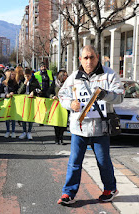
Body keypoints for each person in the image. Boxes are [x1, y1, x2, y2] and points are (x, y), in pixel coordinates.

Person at [57, 45, 124, 205]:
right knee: (74, 162)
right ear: (80, 59)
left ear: (98, 57)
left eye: (91, 57)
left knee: (103, 162)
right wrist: (70, 103)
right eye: (85, 57)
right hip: (79, 128)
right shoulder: (74, 77)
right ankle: (68, 193)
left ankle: (110, 189)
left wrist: (105, 95)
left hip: (100, 128)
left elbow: (120, 96)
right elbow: (61, 95)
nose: (88, 61)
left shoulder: (109, 75)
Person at [17, 68, 41, 140]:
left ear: (31, 75)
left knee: (30, 116)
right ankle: (24, 131)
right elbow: (19, 92)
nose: (27, 78)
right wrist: (24, 85)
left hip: (32, 100)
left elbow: (39, 89)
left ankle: (29, 132)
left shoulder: (35, 81)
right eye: (25, 76)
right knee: (24, 116)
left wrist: (34, 91)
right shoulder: (21, 81)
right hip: (24, 101)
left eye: (28, 76)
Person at [52, 69, 68, 145]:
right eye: (65, 75)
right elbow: (49, 92)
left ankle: (61, 138)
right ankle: (56, 138)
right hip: (56, 105)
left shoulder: (68, 84)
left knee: (63, 122)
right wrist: (52, 96)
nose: (66, 76)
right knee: (56, 122)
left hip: (64, 105)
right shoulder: (55, 84)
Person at [3, 69, 19, 138]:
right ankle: (7, 131)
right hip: (6, 102)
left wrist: (14, 93)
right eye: (12, 74)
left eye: (14, 74)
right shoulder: (4, 83)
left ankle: (13, 131)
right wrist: (6, 95)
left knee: (13, 117)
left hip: (13, 102)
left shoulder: (16, 83)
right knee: (7, 117)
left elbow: (18, 91)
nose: (13, 75)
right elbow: (0, 92)